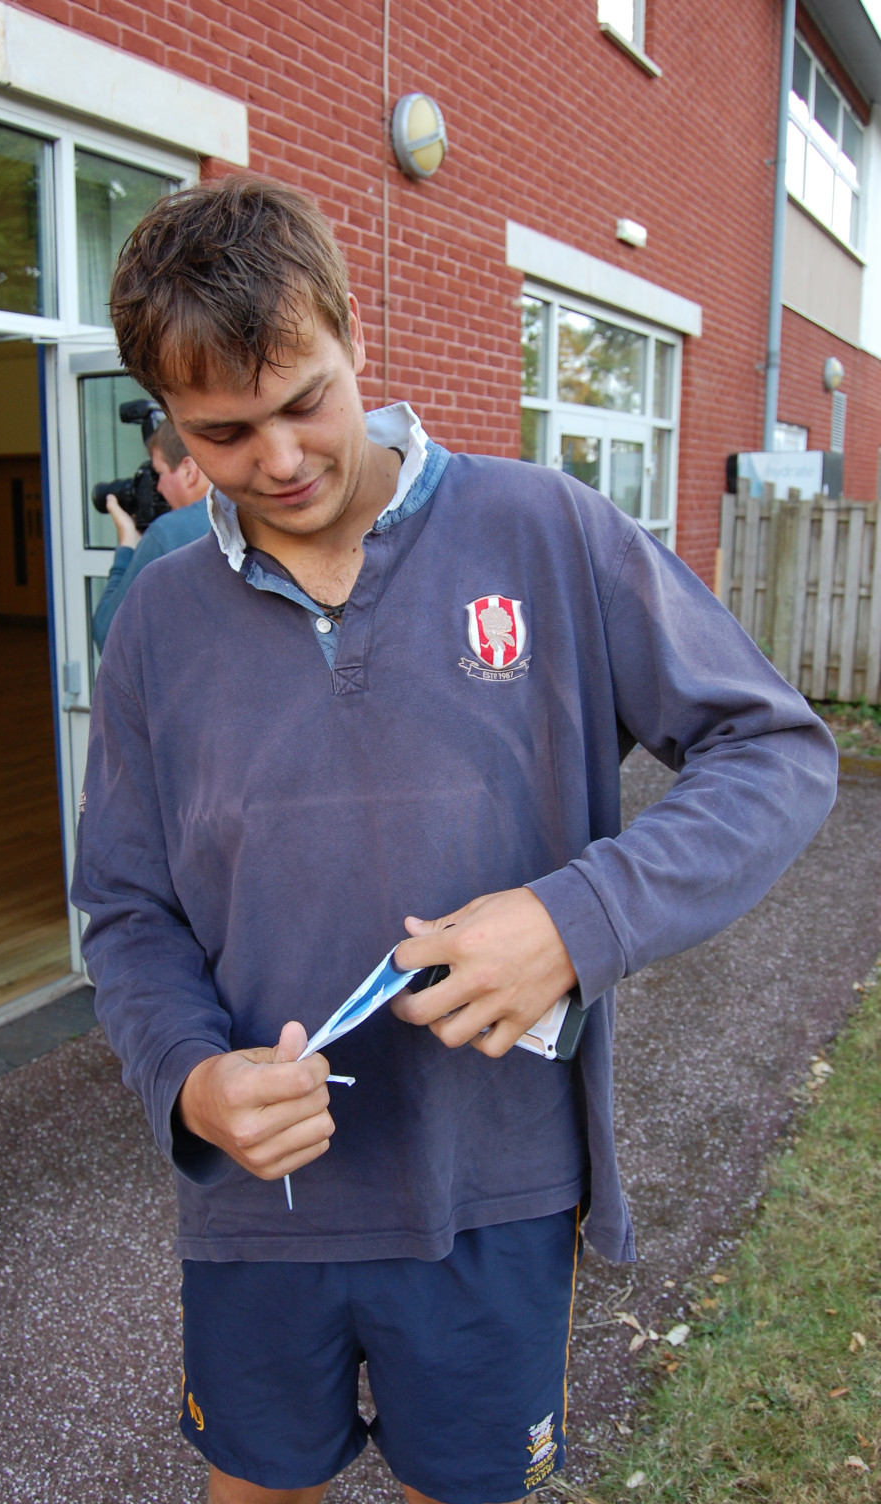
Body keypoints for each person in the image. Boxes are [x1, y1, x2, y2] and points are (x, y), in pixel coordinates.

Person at [71, 175, 837, 1504]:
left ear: (355, 339)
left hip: (494, 1185)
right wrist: (190, 1083)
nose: (283, 458)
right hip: (260, 1202)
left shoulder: (544, 531)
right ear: (171, 430)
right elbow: (128, 913)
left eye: (305, 398)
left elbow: (776, 754)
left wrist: (572, 922)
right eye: (226, 432)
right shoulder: (156, 616)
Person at [91, 418, 210, 649]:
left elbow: (108, 634)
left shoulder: (168, 532)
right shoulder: (251, 513)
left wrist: (127, 544)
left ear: (189, 470)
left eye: (160, 473)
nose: (158, 488)